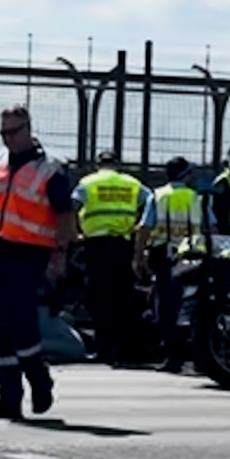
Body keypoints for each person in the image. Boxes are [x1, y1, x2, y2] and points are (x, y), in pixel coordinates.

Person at [0, 104, 77, 419]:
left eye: (13, 132)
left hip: (32, 252)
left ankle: (38, 379)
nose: (8, 139)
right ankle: (9, 396)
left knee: (17, 319)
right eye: (3, 133)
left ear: (28, 129)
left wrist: (60, 254)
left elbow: (65, 215)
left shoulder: (50, 168)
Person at [133, 156, 218, 372]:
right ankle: (199, 357)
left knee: (167, 306)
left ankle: (173, 356)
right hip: (196, 256)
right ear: (185, 175)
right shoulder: (196, 197)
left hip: (166, 257)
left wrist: (139, 257)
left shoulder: (158, 196)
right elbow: (213, 229)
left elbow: (144, 229)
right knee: (197, 305)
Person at [72, 150, 152, 366]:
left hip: (96, 246)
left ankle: (104, 350)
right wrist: (139, 227)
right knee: (124, 298)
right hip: (123, 245)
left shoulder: (88, 182)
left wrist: (74, 233)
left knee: (100, 299)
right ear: (118, 164)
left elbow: (73, 205)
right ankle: (126, 351)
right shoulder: (132, 183)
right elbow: (152, 201)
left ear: (98, 164)